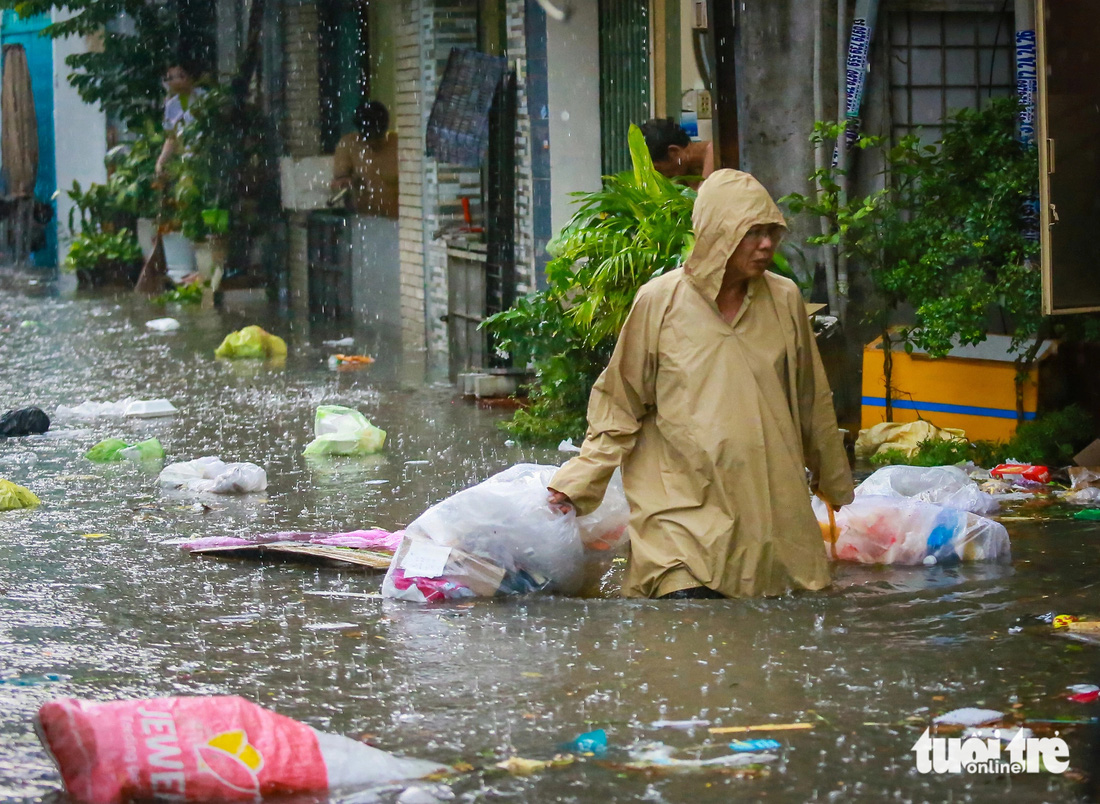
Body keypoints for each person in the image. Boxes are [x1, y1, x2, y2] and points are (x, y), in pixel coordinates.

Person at [547, 169, 854, 600]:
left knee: (767, 639)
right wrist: (579, 482)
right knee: (685, 631)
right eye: (751, 233)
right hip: (681, 507)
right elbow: (620, 401)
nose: (766, 245)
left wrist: (835, 479)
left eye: (772, 233)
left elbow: (810, 398)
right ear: (716, 235)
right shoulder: (661, 301)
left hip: (766, 505)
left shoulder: (783, 299)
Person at [331, 100, 399, 218]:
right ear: (360, 133)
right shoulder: (348, 145)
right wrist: (346, 183)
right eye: (368, 138)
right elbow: (338, 184)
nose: (373, 143)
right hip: (363, 222)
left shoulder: (398, 144)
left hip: (397, 222)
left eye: (378, 137)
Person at [154, 61, 206, 179]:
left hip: (206, 157)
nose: (168, 82)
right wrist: (161, 162)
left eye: (171, 78)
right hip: (187, 161)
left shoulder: (204, 97)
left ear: (185, 76)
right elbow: (171, 138)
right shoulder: (171, 105)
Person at [640, 117, 714, 184]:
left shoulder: (715, 153)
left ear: (674, 152)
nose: (663, 176)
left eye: (658, 170)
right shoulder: (689, 177)